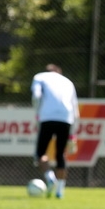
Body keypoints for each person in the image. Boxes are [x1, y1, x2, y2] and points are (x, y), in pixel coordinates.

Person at [31, 64, 79, 199]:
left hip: (47, 117)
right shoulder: (68, 82)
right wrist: (73, 133)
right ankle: (60, 191)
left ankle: (50, 178)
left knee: (40, 153)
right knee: (60, 155)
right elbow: (75, 109)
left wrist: (37, 113)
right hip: (66, 118)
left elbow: (36, 96)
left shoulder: (39, 77)